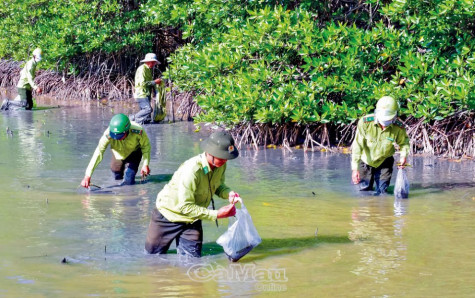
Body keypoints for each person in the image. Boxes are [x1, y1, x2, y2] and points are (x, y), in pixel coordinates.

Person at [145, 131, 241, 257]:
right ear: (210, 153)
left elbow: (218, 186)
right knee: (152, 258)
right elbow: (184, 207)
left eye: (226, 158)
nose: (225, 161)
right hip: (167, 215)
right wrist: (217, 214)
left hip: (192, 218)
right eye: (222, 157)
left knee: (192, 261)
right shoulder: (192, 170)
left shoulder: (220, 165)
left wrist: (229, 193)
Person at [351, 96, 410, 195]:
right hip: (366, 161)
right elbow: (357, 145)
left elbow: (404, 143)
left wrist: (403, 156)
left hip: (385, 161)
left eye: (389, 119)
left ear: (395, 116)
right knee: (364, 191)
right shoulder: (365, 123)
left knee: (382, 192)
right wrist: (355, 168)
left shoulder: (398, 127)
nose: (385, 123)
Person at [80, 114, 151, 188]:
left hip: (134, 153)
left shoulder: (138, 131)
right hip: (118, 153)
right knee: (116, 176)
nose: (116, 138)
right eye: (114, 136)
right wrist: (87, 176)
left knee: (129, 181)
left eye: (119, 136)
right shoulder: (107, 134)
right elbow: (98, 153)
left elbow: (146, 147)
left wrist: (145, 164)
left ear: (127, 131)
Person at [132, 53, 163, 124]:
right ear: (149, 62)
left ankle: (140, 124)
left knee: (147, 118)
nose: (154, 64)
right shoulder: (142, 69)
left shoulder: (148, 69)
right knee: (148, 109)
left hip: (147, 93)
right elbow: (142, 83)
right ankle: (132, 118)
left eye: (154, 62)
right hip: (141, 93)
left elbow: (148, 82)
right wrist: (155, 82)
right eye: (153, 62)